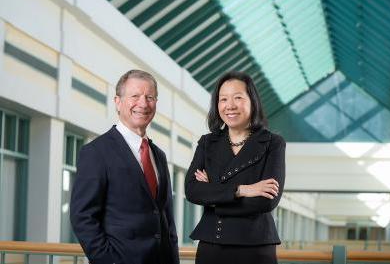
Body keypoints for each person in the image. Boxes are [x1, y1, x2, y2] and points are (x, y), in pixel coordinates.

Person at [70, 70, 179, 264]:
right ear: (118, 102)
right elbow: (83, 217)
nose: (143, 104)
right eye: (135, 96)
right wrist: (108, 260)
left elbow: (166, 218)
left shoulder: (159, 156)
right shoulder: (96, 152)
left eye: (150, 97)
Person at [185, 71, 286, 264]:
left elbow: (266, 202)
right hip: (212, 245)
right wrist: (242, 190)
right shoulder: (208, 142)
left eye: (238, 97)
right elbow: (192, 191)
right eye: (223, 99)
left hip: (255, 248)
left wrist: (214, 197)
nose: (229, 105)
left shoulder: (273, 143)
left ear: (252, 101)